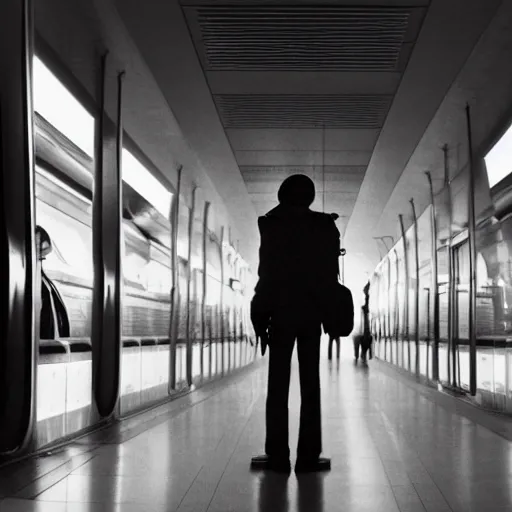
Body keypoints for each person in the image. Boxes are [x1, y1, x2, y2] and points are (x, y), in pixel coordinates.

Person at [250, 174, 340, 474]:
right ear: (311, 196)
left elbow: (267, 274)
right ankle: (308, 457)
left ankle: (277, 457)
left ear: (282, 195)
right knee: (310, 386)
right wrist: (329, 315)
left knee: (277, 387)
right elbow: (330, 276)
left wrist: (260, 316)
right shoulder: (325, 225)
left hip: (281, 313)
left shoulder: (272, 225)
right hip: (311, 315)